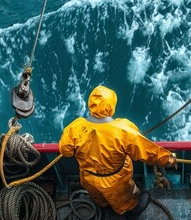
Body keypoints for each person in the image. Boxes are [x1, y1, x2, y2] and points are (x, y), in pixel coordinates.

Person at [59, 86, 176, 219]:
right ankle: (130, 211)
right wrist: (168, 159)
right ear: (111, 106)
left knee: (99, 197)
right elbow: (148, 151)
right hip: (115, 181)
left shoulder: (75, 126)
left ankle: (103, 205)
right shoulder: (123, 129)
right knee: (124, 201)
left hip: (88, 178)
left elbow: (65, 151)